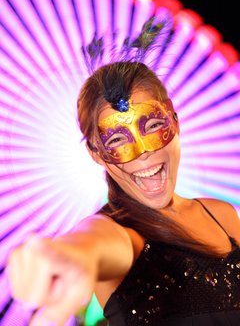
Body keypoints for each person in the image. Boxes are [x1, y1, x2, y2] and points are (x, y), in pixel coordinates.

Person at [6, 18, 240, 326]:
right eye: (117, 140)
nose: (143, 151)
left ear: (175, 120)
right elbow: (89, 246)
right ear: (97, 155)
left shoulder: (223, 216)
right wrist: (63, 257)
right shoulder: (116, 234)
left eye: (153, 125)